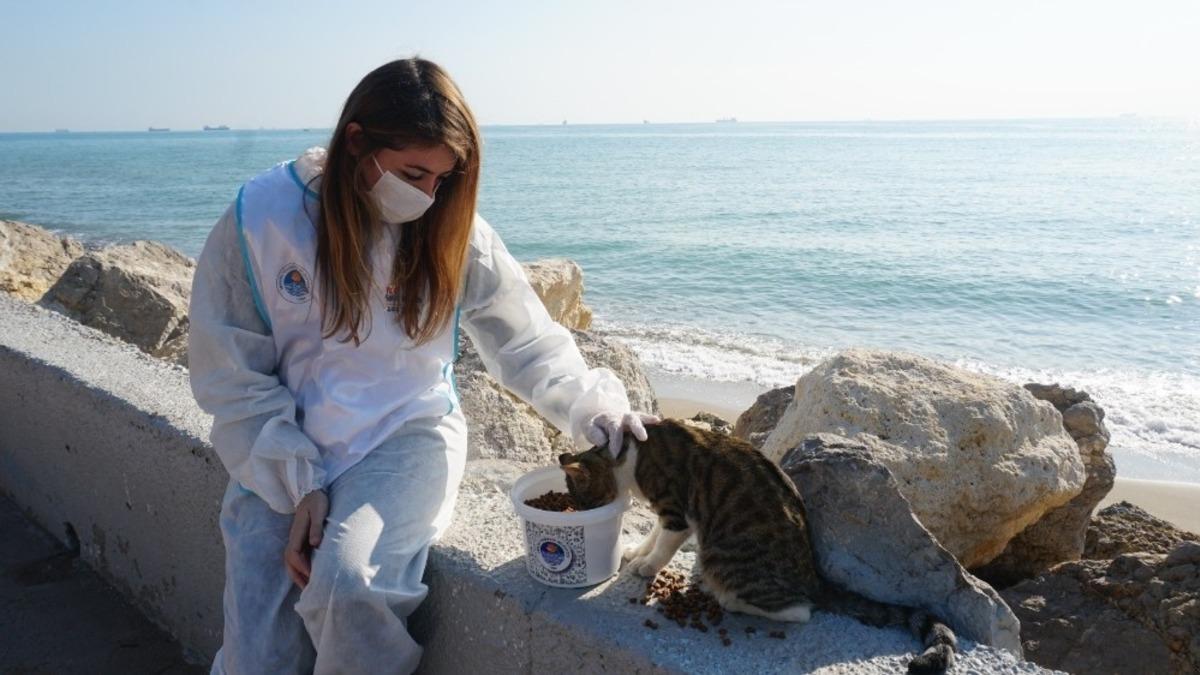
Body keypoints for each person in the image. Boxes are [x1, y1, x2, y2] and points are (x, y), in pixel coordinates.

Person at [187, 57, 659, 674]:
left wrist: (595, 410)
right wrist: (299, 481)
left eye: (442, 178)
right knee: (259, 653)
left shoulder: (454, 229)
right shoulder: (263, 218)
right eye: (413, 173)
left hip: (404, 432)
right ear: (356, 141)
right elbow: (231, 373)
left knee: (350, 586)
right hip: (278, 439)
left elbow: (526, 341)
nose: (428, 195)